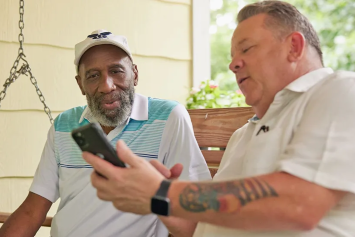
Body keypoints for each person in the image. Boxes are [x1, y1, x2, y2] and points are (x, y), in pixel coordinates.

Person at [82, 1, 355, 237]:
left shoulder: (338, 91)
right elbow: (196, 228)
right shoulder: (242, 135)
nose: (233, 64)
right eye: (232, 55)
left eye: (246, 49)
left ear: (294, 47)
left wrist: (164, 192)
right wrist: (154, 199)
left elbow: (301, 203)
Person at [0, 30, 211, 237]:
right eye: (93, 76)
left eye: (116, 71)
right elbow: (32, 209)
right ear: (80, 84)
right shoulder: (64, 125)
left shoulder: (168, 118)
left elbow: (196, 212)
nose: (106, 86)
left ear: (135, 74)